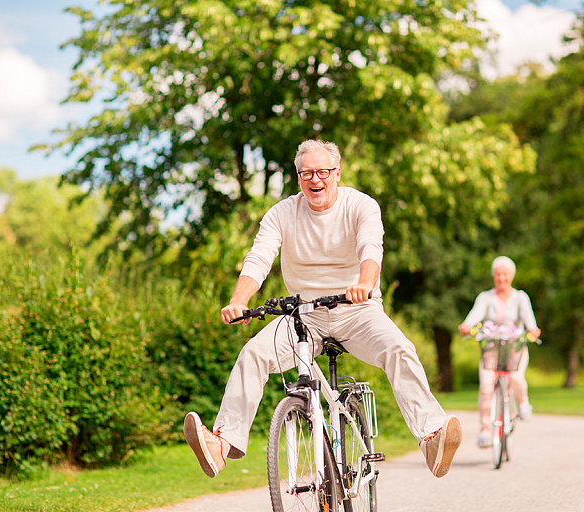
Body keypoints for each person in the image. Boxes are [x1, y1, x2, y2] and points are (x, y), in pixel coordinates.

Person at [183, 139, 462, 479]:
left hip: (357, 310)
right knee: (253, 353)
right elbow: (259, 257)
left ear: (337, 174)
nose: (315, 179)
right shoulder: (283, 212)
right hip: (303, 315)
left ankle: (431, 438)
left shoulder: (360, 205)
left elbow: (371, 248)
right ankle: (221, 445)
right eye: (306, 173)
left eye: (322, 172)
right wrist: (239, 300)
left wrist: (365, 283)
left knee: (399, 348)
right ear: (298, 177)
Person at [458, 256, 540, 449]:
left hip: (515, 349)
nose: (501, 278)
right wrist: (467, 325)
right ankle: (485, 431)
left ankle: (523, 404)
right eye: (498, 274)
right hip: (492, 350)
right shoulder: (486, 298)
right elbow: (474, 315)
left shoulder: (521, 297)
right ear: (493, 276)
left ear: (511, 276)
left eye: (505, 275)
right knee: (486, 386)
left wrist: (533, 330)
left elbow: (530, 322)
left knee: (516, 377)